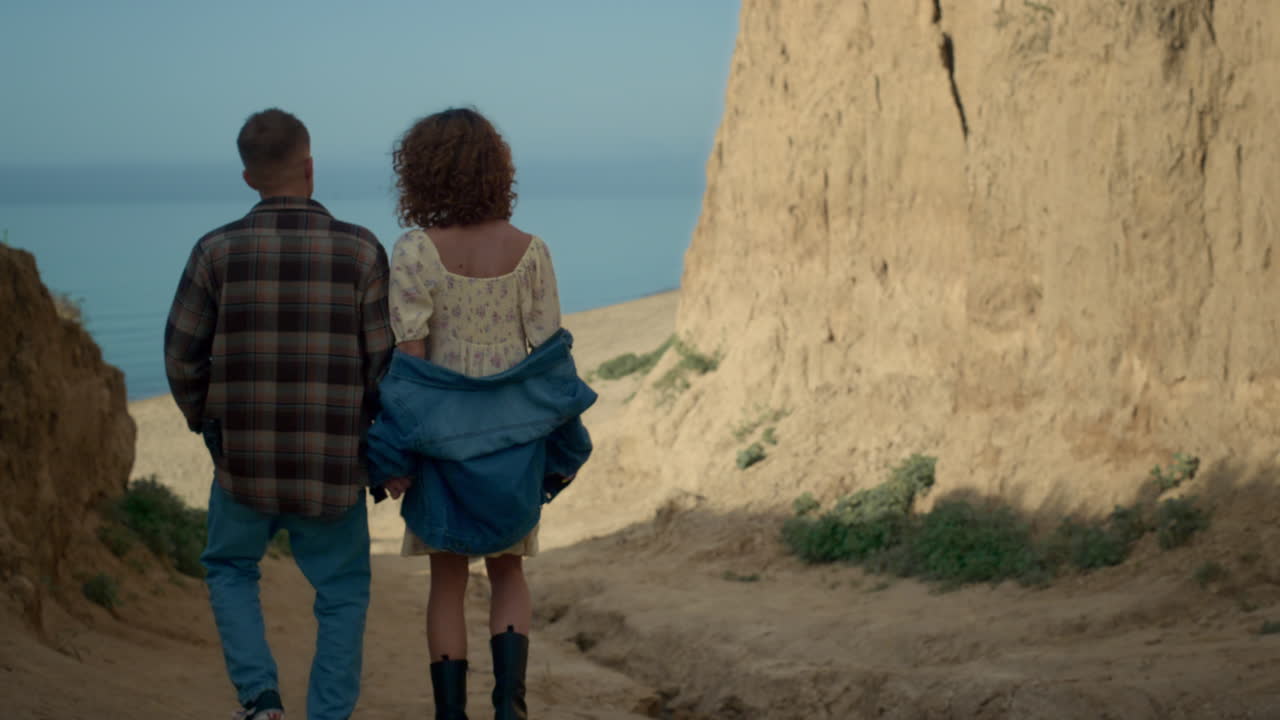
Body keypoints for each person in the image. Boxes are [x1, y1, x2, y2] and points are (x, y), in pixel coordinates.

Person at [164, 108, 394, 720]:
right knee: (342, 595)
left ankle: (260, 700)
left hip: (243, 462)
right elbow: (384, 365)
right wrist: (363, 433)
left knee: (230, 567)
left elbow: (182, 356)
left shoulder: (214, 251)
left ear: (248, 178)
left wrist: (207, 424)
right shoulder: (362, 250)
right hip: (333, 466)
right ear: (311, 166)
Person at [366, 107, 595, 720]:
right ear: (496, 170)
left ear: (422, 173)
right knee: (510, 573)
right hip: (515, 439)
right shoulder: (531, 251)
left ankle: (450, 714)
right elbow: (548, 363)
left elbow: (409, 369)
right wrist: (562, 443)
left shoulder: (413, 251)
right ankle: (509, 708)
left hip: (442, 440)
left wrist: (396, 453)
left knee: (445, 580)